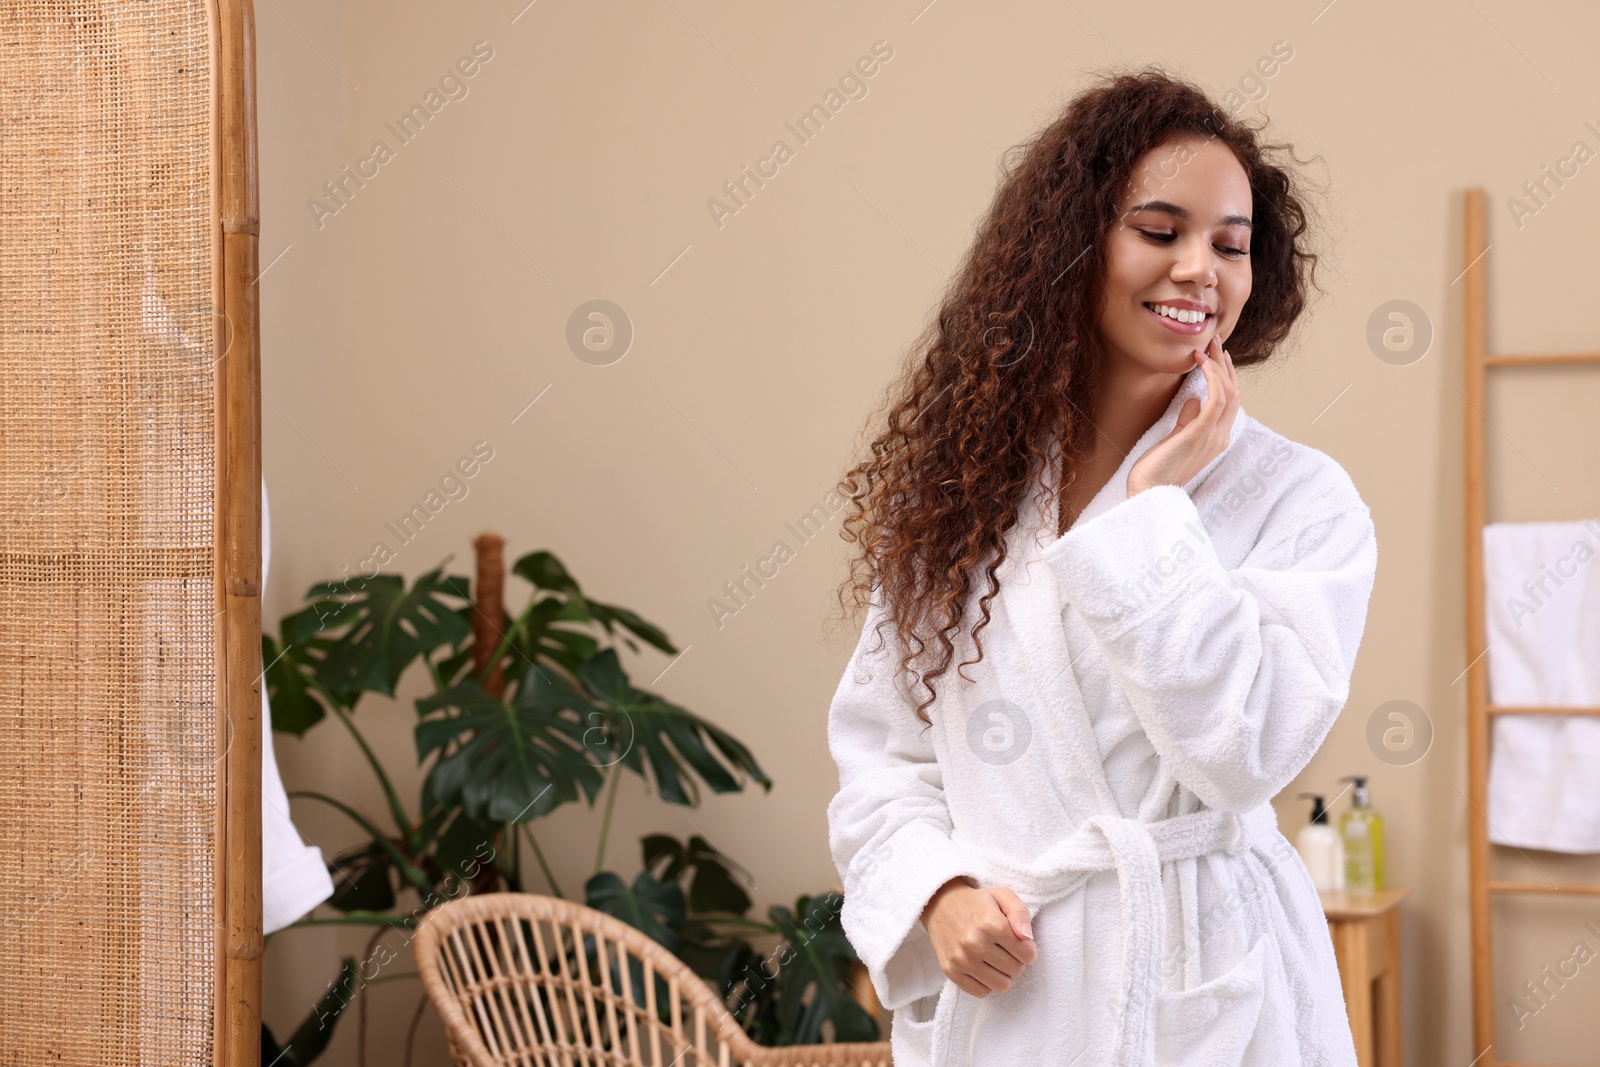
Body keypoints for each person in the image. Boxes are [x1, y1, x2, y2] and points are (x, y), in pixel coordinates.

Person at [825, 68, 1376, 1067]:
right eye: (1159, 231)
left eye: (1230, 243)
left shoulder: (1300, 497)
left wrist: (1150, 510)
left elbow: (1245, 748)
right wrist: (936, 892)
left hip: (1212, 988)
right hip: (1014, 991)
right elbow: (883, 753)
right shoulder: (962, 492)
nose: (1199, 268)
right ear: (1072, 248)